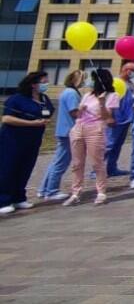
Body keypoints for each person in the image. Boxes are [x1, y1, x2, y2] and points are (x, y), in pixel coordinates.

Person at [0, 72, 53, 214]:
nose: (46, 84)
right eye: (43, 82)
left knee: (25, 168)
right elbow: (6, 118)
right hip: (13, 139)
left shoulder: (44, 99)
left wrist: (43, 121)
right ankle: (3, 200)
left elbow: (48, 113)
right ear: (33, 84)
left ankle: (19, 198)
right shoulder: (17, 99)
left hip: (33, 139)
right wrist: (30, 123)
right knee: (8, 168)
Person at [65, 69, 119, 206]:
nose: (92, 82)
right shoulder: (88, 95)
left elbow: (108, 117)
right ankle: (75, 192)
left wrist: (101, 103)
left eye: (94, 79)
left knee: (97, 162)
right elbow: (78, 114)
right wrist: (81, 110)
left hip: (96, 129)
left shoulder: (112, 95)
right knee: (77, 163)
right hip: (79, 127)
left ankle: (101, 192)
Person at [38, 69, 83, 201]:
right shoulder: (71, 93)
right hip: (68, 131)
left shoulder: (67, 92)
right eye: (82, 79)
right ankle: (51, 190)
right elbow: (74, 112)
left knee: (56, 161)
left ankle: (44, 188)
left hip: (64, 130)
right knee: (61, 162)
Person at [105, 62, 134, 178]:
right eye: (132, 70)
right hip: (115, 119)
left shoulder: (131, 84)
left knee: (118, 145)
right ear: (125, 69)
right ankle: (96, 170)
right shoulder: (116, 82)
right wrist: (109, 117)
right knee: (109, 144)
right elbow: (109, 101)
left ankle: (112, 168)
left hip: (126, 119)